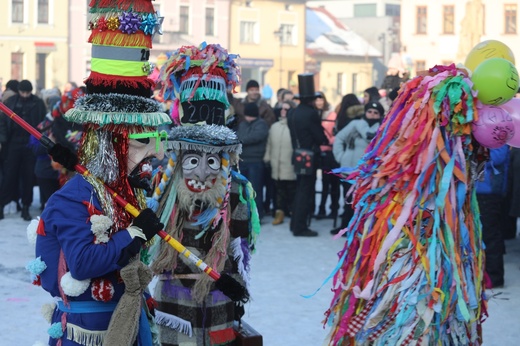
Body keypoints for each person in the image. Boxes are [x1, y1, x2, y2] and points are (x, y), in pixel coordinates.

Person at [27, 1, 172, 345]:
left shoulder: (122, 192)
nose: (156, 152)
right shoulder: (73, 197)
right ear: (112, 145)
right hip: (87, 334)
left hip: (128, 323)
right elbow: (82, 262)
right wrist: (134, 233)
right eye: (142, 141)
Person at [324, 64, 486, 345]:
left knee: (424, 308)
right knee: (404, 308)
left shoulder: (457, 157)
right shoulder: (401, 159)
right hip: (406, 255)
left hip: (437, 256)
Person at [150, 43, 260, 346]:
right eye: (192, 160)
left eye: (211, 160)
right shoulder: (165, 185)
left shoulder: (236, 189)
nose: (200, 172)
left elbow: (239, 244)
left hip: (217, 298)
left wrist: (236, 286)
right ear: (180, 154)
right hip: (174, 296)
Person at [331, 101, 384, 234]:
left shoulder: (382, 129)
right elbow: (339, 138)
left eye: (375, 113)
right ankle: (345, 226)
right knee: (348, 199)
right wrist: (340, 156)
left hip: (366, 173)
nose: (372, 115)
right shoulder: (355, 124)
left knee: (363, 201)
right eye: (369, 112)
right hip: (348, 169)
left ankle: (359, 228)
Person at [0, 79, 47, 220]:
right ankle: (3, 204)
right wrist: (3, 140)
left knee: (28, 177)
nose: (25, 95)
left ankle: (26, 206)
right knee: (10, 175)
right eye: (23, 92)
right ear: (19, 91)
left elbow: (43, 122)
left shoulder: (38, 103)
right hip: (13, 143)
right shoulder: (11, 102)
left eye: (27, 92)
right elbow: (3, 122)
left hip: (30, 144)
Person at [287, 73, 328, 237]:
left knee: (300, 190)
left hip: (297, 154)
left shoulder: (293, 112)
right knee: (305, 191)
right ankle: (300, 227)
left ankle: (294, 223)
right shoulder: (310, 113)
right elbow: (319, 137)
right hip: (309, 156)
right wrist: (323, 139)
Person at [476, 145, 509, 288]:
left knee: (491, 235)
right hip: (480, 191)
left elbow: (496, 159)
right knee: (484, 234)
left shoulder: (498, 136)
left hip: (488, 192)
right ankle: (485, 273)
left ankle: (494, 276)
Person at [264, 100, 297, 225]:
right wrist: (267, 158)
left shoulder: (294, 126)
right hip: (276, 165)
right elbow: (269, 144)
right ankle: (280, 213)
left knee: (292, 190)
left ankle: (293, 213)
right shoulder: (274, 126)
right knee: (278, 191)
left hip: (289, 164)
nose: (283, 111)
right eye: (282, 108)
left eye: (287, 109)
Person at [237, 102, 269, 221]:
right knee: (243, 190)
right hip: (243, 160)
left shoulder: (262, 124)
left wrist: (242, 139)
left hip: (256, 161)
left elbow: (254, 137)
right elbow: (241, 135)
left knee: (255, 190)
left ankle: (257, 214)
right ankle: (245, 214)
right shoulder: (243, 124)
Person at [315, 92, 340, 220]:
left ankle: (333, 208)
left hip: (330, 151)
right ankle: (321, 208)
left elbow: (334, 133)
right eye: (316, 100)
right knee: (324, 182)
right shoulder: (313, 114)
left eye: (320, 99)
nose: (319, 102)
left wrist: (328, 142)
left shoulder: (332, 114)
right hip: (318, 151)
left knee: (333, 181)